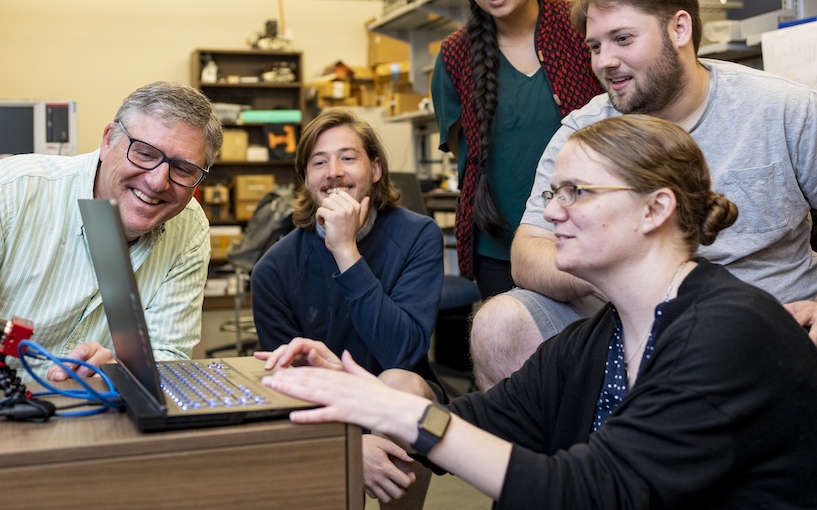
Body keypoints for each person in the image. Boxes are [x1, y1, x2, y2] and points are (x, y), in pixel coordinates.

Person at [262, 114, 817, 509]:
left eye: (576, 191)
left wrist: (400, 415)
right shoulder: (597, 340)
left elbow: (592, 491)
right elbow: (482, 420)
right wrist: (376, 400)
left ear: (656, 208)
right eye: (554, 192)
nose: (551, 212)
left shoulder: (728, 331)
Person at [470, 0, 817, 390]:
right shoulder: (584, 129)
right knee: (499, 322)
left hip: (766, 318)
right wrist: (617, 262)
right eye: (595, 47)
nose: (604, 61)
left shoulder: (785, 110)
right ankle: (549, 460)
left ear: (680, 29)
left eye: (622, 39)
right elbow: (528, 252)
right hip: (618, 321)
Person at [0, 81, 223, 404]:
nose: (159, 181)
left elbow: (168, 357)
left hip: (85, 419)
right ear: (108, 139)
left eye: (183, 169)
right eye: (144, 153)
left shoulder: (189, 227)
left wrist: (119, 371)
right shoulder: (10, 190)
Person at [251, 107, 445, 506]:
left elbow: (404, 352)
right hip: (323, 402)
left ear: (375, 169)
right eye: (319, 162)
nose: (334, 171)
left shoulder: (417, 235)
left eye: (348, 157)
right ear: (306, 179)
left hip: (400, 397)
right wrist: (353, 443)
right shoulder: (273, 268)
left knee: (403, 384)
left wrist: (345, 251)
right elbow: (289, 382)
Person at [430, 0, 602, 295]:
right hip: (498, 245)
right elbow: (467, 160)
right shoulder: (456, 55)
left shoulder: (579, 26)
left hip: (589, 232)